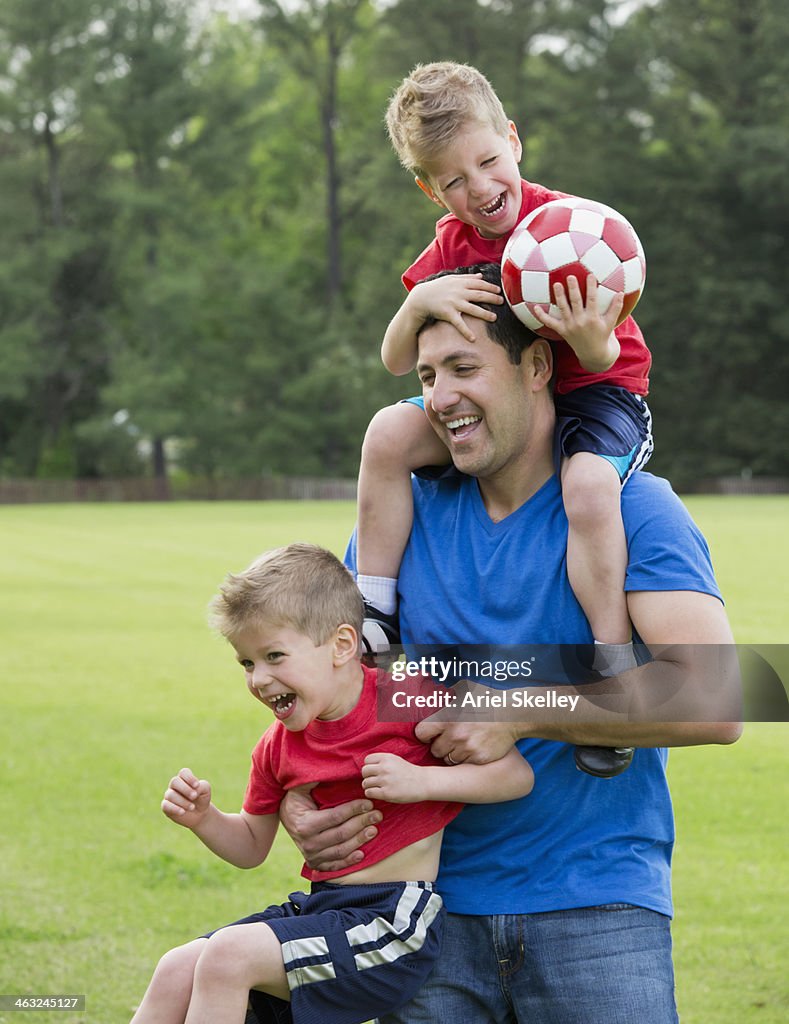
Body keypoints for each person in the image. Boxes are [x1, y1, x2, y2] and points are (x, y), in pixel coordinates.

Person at [279, 269, 742, 1024]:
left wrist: (516, 709)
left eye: (464, 369)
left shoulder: (632, 508)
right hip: (415, 913)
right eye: (427, 376)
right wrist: (302, 800)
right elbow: (342, 698)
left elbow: (717, 698)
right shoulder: (394, 523)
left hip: (596, 908)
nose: (439, 396)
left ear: (535, 369)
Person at [357, 61, 654, 776]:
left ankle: (608, 663)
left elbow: (605, 350)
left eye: (488, 162)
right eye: (454, 180)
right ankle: (372, 609)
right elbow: (398, 362)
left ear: (512, 142)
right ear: (429, 187)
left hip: (598, 391)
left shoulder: (574, 228)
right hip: (503, 409)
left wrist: (585, 337)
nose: (480, 188)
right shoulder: (447, 251)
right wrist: (416, 304)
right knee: (388, 432)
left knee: (587, 491)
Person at [130, 542, 534, 1024]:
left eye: (274, 656)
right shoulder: (277, 746)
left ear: (342, 645)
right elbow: (250, 847)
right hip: (325, 910)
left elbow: (515, 776)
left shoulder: (407, 701)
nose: (259, 679)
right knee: (178, 967)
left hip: (393, 923)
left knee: (229, 956)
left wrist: (421, 782)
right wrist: (204, 819)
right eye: (246, 663)